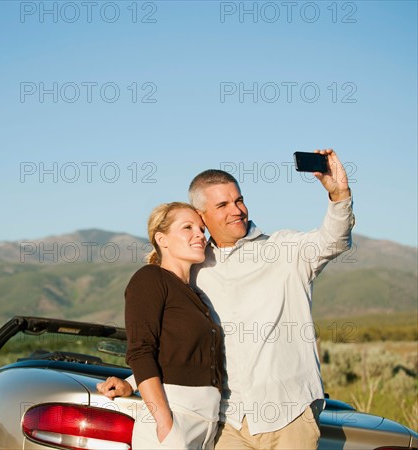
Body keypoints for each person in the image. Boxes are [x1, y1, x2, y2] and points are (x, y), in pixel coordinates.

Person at [98, 149, 354, 449]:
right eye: (223, 205)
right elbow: (178, 346)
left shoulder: (286, 250)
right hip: (226, 422)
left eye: (239, 200)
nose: (237, 210)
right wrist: (132, 381)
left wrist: (340, 195)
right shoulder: (195, 269)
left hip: (289, 415)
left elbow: (333, 240)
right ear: (202, 216)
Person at [123, 202, 225, 449]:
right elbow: (141, 350)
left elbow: (173, 353)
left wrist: (130, 382)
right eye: (187, 227)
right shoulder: (150, 279)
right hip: (174, 419)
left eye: (201, 228)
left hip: (207, 422)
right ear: (162, 239)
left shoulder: (197, 295)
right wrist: (164, 422)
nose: (200, 234)